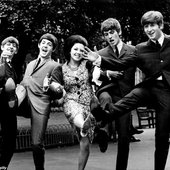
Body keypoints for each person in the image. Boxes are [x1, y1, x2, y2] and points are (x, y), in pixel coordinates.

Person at [85, 11, 170, 170]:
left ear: (161, 25)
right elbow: (122, 64)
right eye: (146, 26)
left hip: (166, 92)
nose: (149, 29)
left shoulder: (166, 43)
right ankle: (104, 117)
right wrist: (99, 60)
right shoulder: (140, 48)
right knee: (131, 97)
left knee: (162, 136)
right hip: (144, 88)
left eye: (152, 25)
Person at [92, 18, 139, 170]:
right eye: (106, 34)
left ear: (119, 32)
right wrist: (107, 73)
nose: (109, 36)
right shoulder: (100, 53)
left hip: (124, 97)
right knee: (105, 98)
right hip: (107, 90)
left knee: (124, 138)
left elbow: (145, 66)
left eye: (112, 32)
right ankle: (103, 132)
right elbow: (94, 74)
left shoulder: (132, 50)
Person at [49, 35, 97, 170]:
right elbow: (54, 83)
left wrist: (98, 63)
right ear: (69, 50)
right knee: (76, 114)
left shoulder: (88, 64)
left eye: (82, 50)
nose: (78, 52)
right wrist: (56, 87)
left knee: (85, 143)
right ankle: (83, 125)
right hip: (70, 101)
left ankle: (80, 169)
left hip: (88, 103)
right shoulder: (60, 69)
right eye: (75, 49)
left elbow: (99, 75)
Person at [20, 33, 60, 170]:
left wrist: (50, 87)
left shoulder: (55, 66)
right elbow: (24, 82)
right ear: (38, 45)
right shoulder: (30, 64)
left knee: (37, 144)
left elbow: (58, 91)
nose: (45, 46)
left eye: (49, 44)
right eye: (43, 43)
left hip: (40, 105)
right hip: (24, 101)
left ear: (53, 49)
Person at [0, 36, 19, 170]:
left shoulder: (13, 67)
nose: (11, 46)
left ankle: (3, 165)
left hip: (9, 108)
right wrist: (2, 59)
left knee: (10, 137)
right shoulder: (1, 62)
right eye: (8, 44)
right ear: (2, 47)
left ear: (16, 51)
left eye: (14, 46)